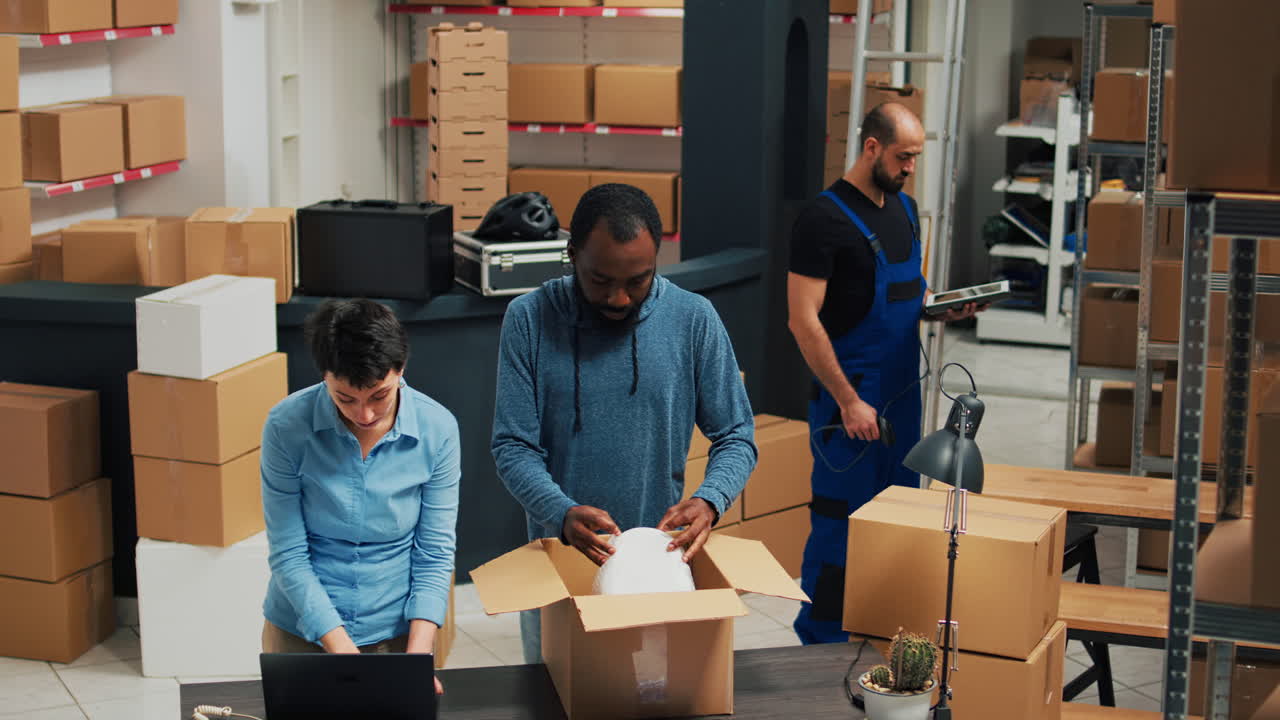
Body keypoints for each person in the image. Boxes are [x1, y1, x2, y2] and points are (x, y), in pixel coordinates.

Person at [492, 183, 758, 664]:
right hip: (559, 561)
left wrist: (710, 500)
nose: (618, 297)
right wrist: (559, 511)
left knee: (651, 695)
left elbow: (737, 435)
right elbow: (513, 446)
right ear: (571, 255)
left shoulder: (693, 319)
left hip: (659, 568)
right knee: (554, 698)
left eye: (638, 280)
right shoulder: (528, 319)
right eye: (600, 280)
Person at [787, 103, 985, 644]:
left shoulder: (903, 210)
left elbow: (912, 295)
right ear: (871, 147)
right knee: (839, 527)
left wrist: (946, 307)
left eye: (916, 159)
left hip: (900, 400)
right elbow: (802, 320)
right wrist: (849, 401)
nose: (909, 169)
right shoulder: (821, 221)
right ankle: (821, 645)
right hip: (845, 404)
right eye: (903, 157)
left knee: (897, 521)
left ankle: (879, 634)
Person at [260, 298, 458, 694]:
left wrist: (417, 659)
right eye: (345, 398)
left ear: (400, 369)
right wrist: (342, 651)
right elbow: (288, 553)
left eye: (379, 396)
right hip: (304, 629)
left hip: (402, 632)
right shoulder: (286, 427)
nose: (364, 415)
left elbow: (434, 551)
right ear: (325, 377)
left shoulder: (438, 429)